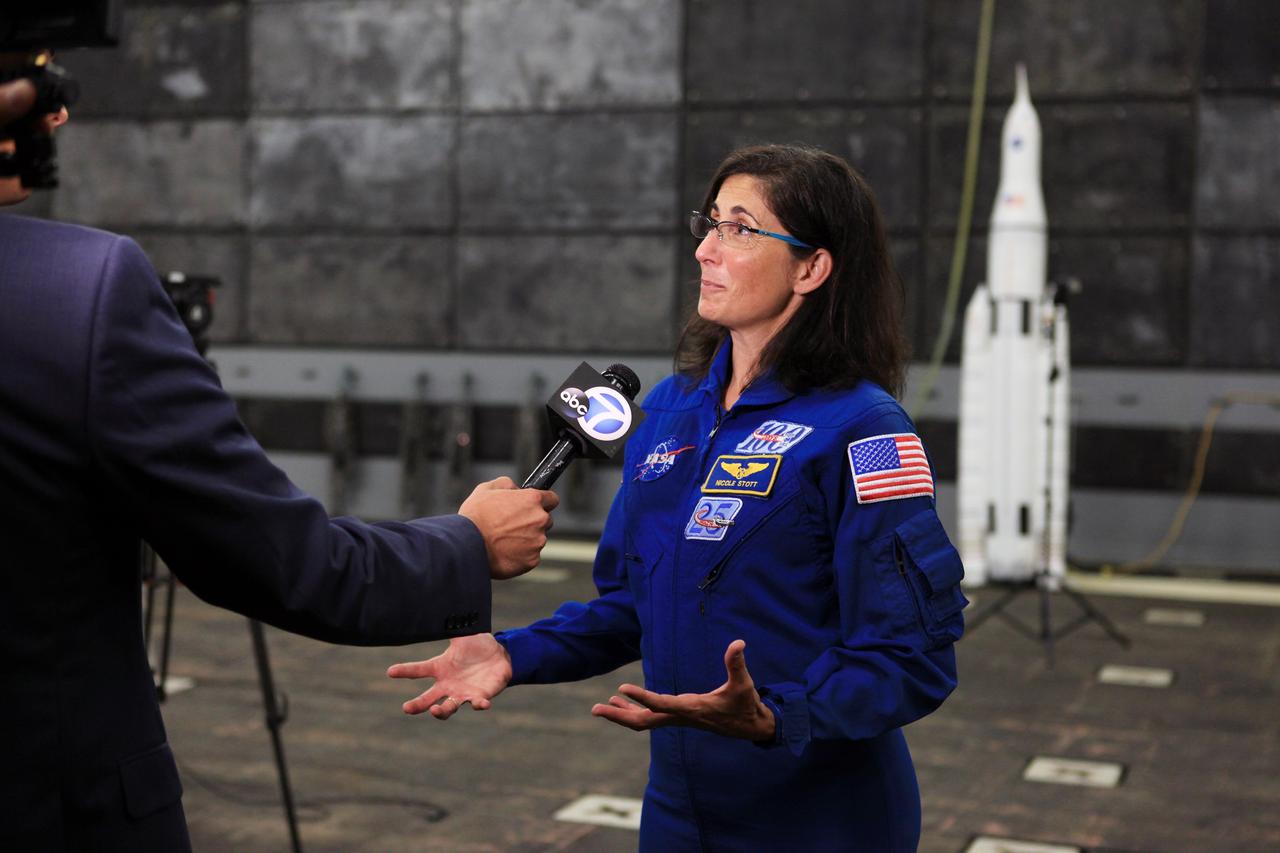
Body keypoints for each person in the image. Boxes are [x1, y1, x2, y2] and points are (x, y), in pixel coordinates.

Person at [0, 72, 558, 851]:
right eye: (33, 77)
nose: (54, 109)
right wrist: (468, 543)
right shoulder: (81, 287)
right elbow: (284, 560)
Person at [389, 143, 968, 851]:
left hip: (821, 819)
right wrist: (513, 653)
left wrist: (775, 715)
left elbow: (911, 656)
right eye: (711, 223)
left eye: (741, 229)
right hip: (680, 814)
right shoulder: (666, 411)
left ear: (812, 268)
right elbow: (634, 605)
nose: (706, 250)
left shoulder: (864, 430)